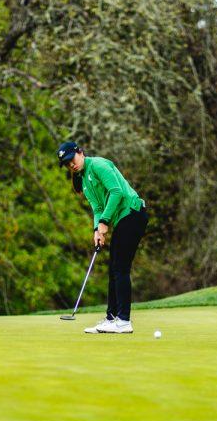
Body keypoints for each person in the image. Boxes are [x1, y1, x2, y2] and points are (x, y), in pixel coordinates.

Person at [57, 141, 149, 334]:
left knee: (120, 268)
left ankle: (123, 321)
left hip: (133, 213)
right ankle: (111, 318)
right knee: (114, 269)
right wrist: (96, 231)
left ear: (80, 153)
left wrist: (105, 221)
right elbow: (97, 209)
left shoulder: (98, 165)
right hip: (123, 219)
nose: (71, 165)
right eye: (67, 164)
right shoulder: (83, 181)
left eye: (71, 159)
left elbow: (116, 192)